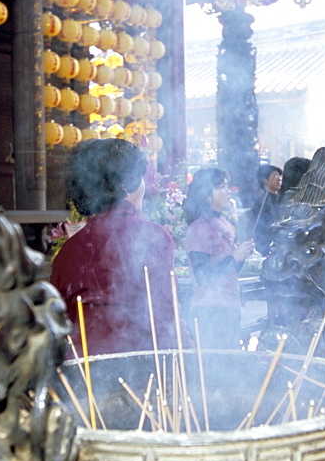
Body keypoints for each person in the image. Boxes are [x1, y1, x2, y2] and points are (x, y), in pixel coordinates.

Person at [49, 139, 184, 355]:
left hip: (84, 375)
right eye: (139, 176)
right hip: (140, 365)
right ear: (124, 183)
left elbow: (58, 320)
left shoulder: (67, 251)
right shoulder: (153, 237)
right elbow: (164, 313)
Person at [183, 167, 254, 350]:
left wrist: (241, 255)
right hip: (210, 311)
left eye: (227, 186)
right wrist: (233, 257)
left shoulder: (222, 223)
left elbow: (230, 272)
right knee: (212, 369)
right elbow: (203, 277)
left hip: (228, 307)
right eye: (221, 186)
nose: (228, 191)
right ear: (207, 195)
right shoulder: (199, 228)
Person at [252, 164, 282, 255]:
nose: (279, 178)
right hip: (268, 247)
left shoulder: (283, 199)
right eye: (275, 175)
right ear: (265, 180)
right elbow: (263, 229)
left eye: (280, 176)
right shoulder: (261, 203)